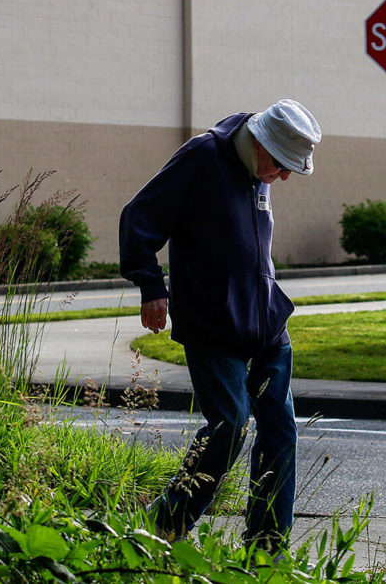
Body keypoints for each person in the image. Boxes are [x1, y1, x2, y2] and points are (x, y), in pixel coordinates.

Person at [118, 99, 321, 550]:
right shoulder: (202, 157)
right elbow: (139, 218)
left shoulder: (260, 172)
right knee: (230, 425)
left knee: (280, 429)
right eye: (283, 166)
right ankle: (163, 527)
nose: (285, 177)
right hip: (213, 324)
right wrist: (152, 286)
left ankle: (267, 546)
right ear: (261, 144)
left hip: (267, 322)